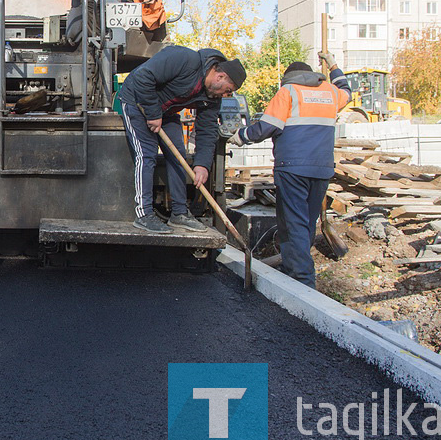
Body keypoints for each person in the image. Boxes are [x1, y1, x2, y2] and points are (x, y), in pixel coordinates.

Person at [228, 52, 351, 288]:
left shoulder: (289, 92)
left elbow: (267, 127)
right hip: (321, 169)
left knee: (292, 222)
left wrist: (240, 136)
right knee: (306, 223)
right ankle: (292, 268)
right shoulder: (330, 92)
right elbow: (347, 89)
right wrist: (333, 64)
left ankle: (303, 281)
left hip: (292, 168)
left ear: (289, 77)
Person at [118, 46, 246, 234]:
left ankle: (179, 214)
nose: (225, 96)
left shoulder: (212, 98)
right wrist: (153, 113)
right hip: (137, 101)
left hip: (166, 111)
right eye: (227, 90)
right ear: (220, 77)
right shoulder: (184, 59)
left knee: (178, 157)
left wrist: (202, 164)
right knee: (147, 155)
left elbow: (207, 129)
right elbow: (143, 76)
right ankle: (144, 214)